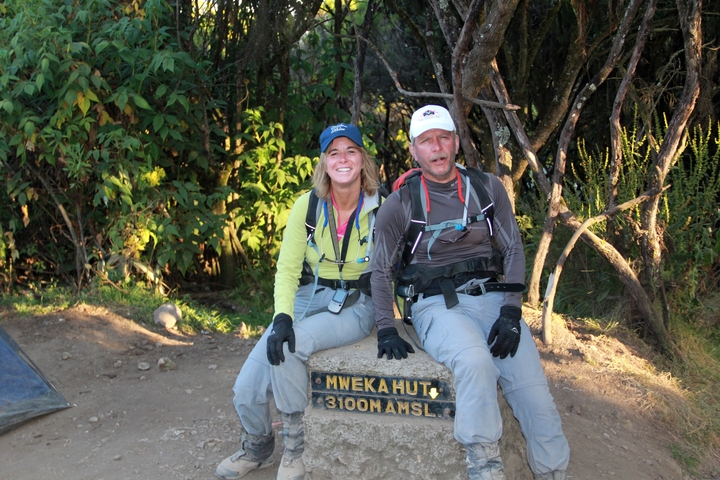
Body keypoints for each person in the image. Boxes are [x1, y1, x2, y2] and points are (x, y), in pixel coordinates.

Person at [370, 105, 570, 480]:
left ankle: (554, 472)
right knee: (475, 363)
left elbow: (512, 249)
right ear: (414, 150)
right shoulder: (400, 203)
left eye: (443, 137)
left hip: (495, 300)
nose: (437, 147)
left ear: (456, 142)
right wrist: (386, 327)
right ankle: (484, 467)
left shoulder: (486, 187)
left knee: (534, 395)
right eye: (426, 141)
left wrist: (512, 312)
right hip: (436, 306)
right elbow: (379, 270)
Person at [216, 123, 382, 480]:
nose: (343, 159)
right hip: (310, 294)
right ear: (323, 162)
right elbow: (287, 271)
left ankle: (295, 448)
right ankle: (257, 447)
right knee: (246, 388)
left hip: (357, 302)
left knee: (291, 348)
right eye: (333, 152)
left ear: (362, 159)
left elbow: (395, 270)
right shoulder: (306, 206)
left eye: (350, 151)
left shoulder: (381, 208)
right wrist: (281, 318)